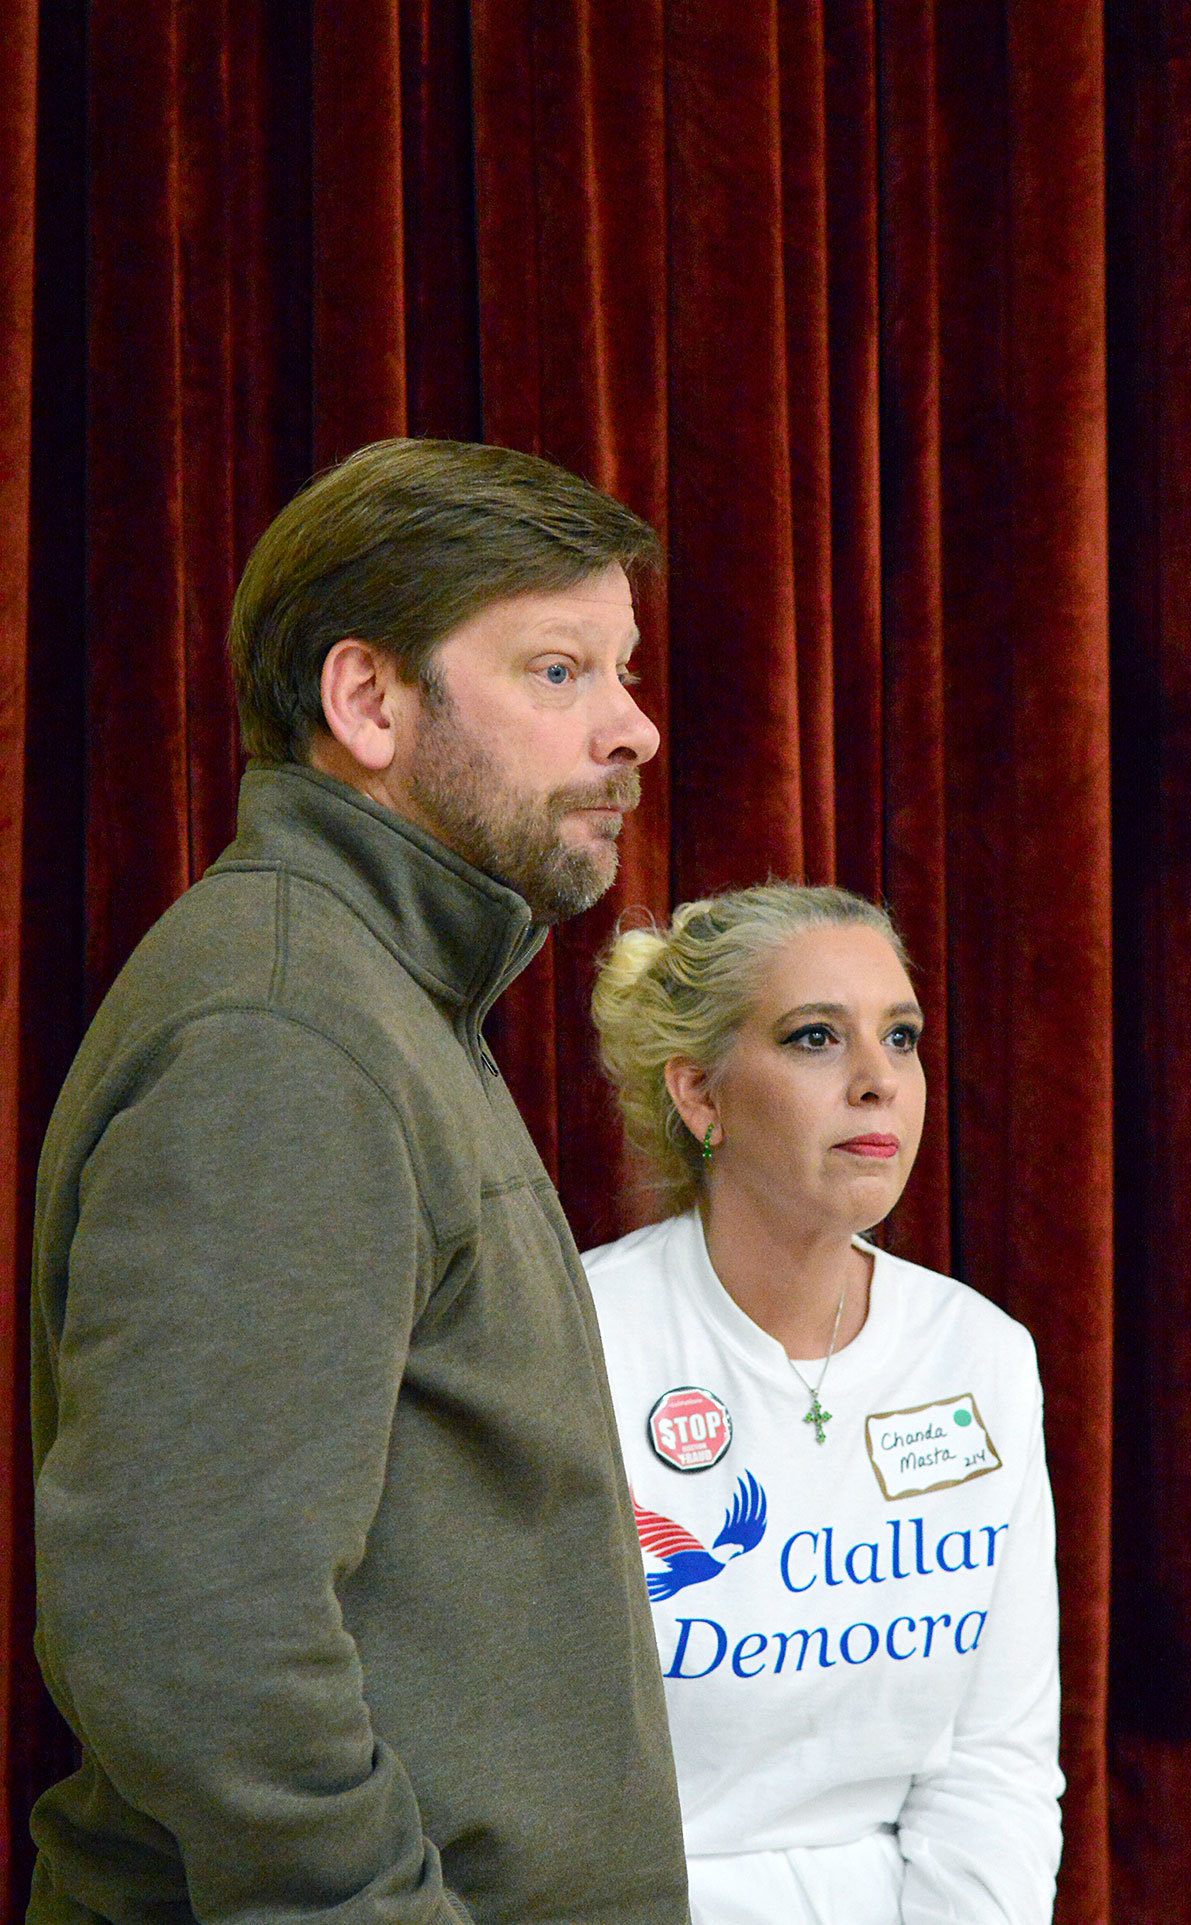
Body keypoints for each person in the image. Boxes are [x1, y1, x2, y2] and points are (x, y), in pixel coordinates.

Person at [27, 438, 691, 1924]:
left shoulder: (382, 994)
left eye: (623, 670)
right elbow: (194, 1629)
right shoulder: (286, 1035)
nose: (635, 726)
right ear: (368, 702)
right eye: (559, 672)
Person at [582, 884, 1064, 1925]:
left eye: (900, 1037)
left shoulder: (977, 1354)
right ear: (698, 1094)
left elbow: (995, 1767)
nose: (875, 1081)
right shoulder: (574, 1340)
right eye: (814, 1037)